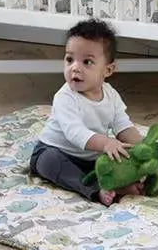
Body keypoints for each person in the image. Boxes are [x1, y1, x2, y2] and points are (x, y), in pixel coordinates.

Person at [29, 18, 144, 205]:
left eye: (87, 62)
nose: (75, 67)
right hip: (56, 151)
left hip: (92, 157)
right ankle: (95, 190)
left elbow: (123, 126)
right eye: (69, 59)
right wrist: (106, 142)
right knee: (49, 162)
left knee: (118, 158)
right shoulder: (65, 97)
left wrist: (143, 147)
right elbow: (75, 133)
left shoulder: (111, 95)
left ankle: (120, 185)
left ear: (108, 70)